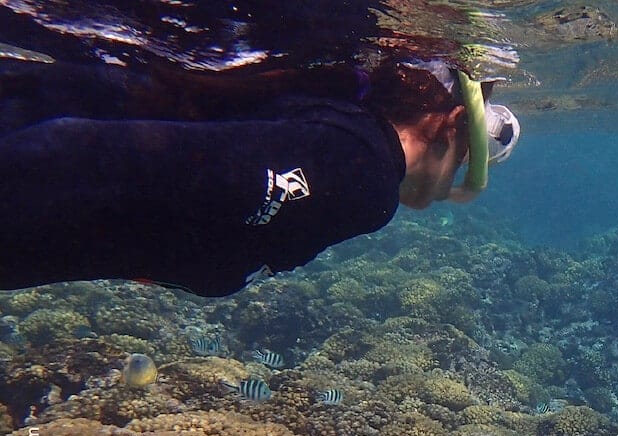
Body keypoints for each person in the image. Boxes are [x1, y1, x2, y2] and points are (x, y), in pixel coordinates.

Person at [0, 55, 519, 296]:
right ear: (450, 125)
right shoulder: (361, 169)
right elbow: (100, 157)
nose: (458, 176)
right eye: (470, 160)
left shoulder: (341, 129)